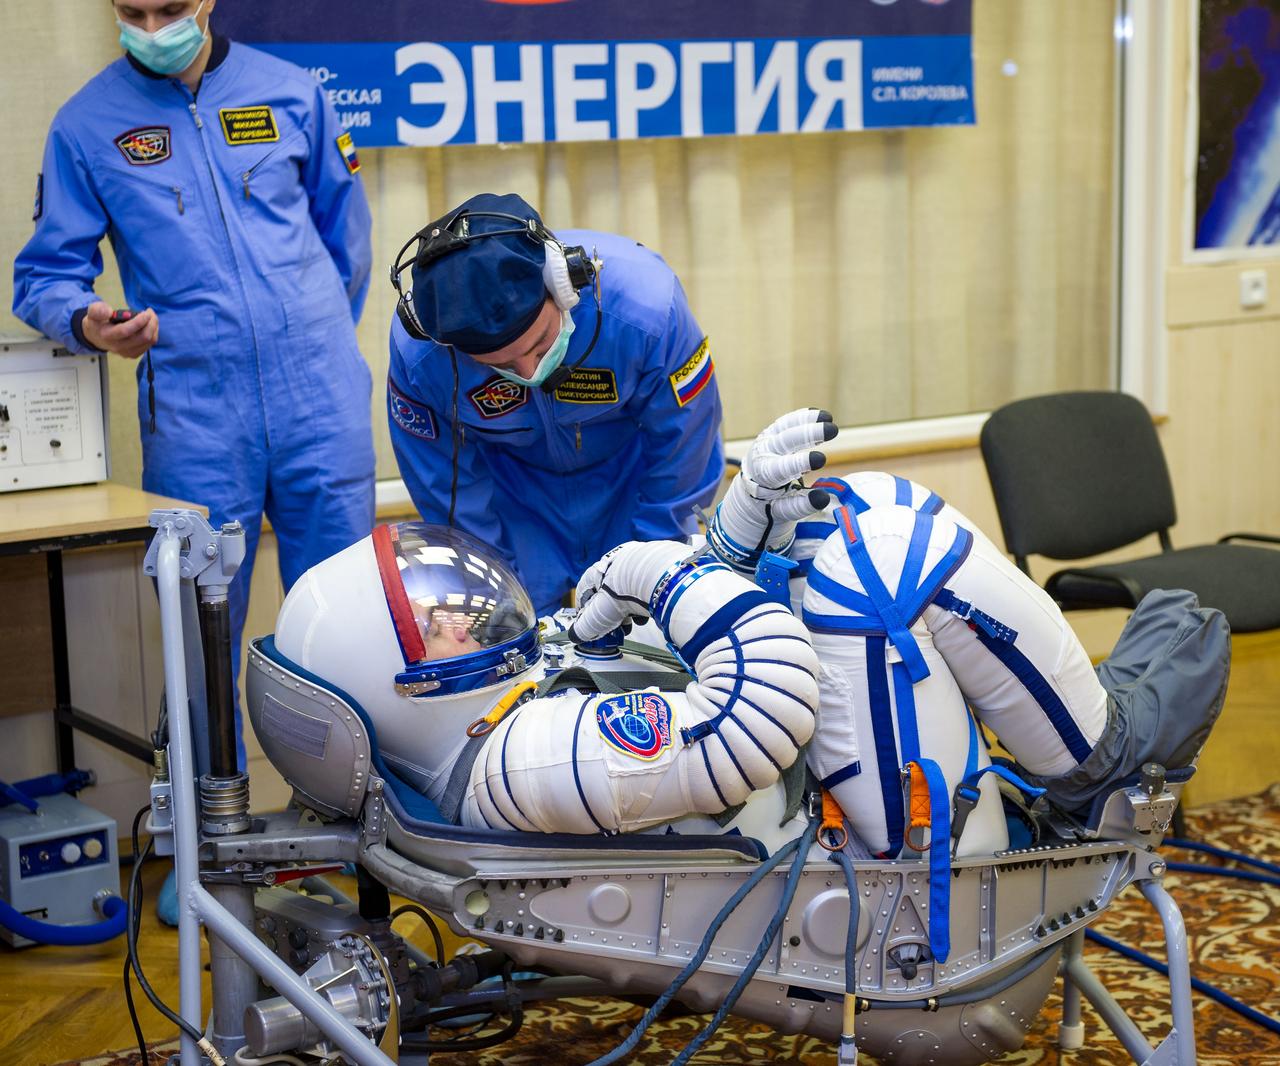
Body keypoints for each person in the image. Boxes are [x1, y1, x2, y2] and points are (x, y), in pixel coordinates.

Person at [259, 410, 1228, 863]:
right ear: (389, 679)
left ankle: (1091, 748)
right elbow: (757, 704)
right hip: (891, 888)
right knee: (878, 551)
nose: (457, 614)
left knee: (839, 516)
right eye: (428, 618)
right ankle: (1100, 758)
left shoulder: (484, 712)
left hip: (829, 813)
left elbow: (669, 655)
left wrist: (737, 526)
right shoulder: (522, 759)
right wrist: (657, 567)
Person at [12, 0, 377, 768]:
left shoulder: (289, 92)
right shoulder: (87, 124)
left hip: (319, 397)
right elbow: (45, 274)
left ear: (207, 1)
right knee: (198, 638)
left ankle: (352, 839)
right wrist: (88, 322)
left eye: (170, 9)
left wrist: (312, 334)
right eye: (132, 11)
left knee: (346, 626)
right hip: (197, 415)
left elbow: (344, 234)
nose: (152, 26)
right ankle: (212, 851)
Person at [385, 192, 724, 616]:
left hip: (632, 483)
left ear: (561, 285)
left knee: (649, 623)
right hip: (512, 499)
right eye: (501, 365)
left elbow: (685, 439)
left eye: (542, 344)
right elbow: (446, 485)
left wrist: (654, 559)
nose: (530, 372)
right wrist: (495, 584)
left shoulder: (647, 307)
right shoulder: (421, 357)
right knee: (516, 630)